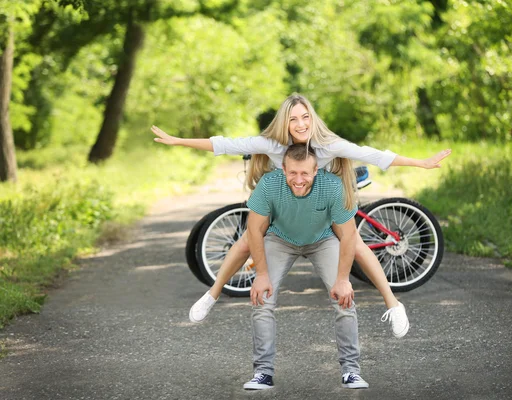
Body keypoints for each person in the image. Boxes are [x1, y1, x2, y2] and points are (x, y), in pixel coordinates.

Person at [151, 94, 451, 337]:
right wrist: (179, 141)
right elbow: (226, 144)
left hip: (324, 199)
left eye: (305, 116)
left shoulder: (328, 145)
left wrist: (421, 163)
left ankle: (394, 304)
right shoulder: (271, 145)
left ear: (313, 118)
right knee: (246, 240)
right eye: (293, 118)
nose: (301, 123)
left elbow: (373, 154)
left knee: (355, 244)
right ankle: (212, 294)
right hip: (288, 200)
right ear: (285, 122)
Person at [244, 143, 366, 390]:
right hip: (280, 239)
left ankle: (351, 371)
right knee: (262, 298)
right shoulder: (269, 184)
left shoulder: (332, 187)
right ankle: (263, 373)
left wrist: (343, 279)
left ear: (316, 171)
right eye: (292, 173)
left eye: (305, 174)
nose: (299, 179)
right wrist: (262, 274)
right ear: (283, 168)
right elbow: (254, 230)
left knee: (345, 300)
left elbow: (349, 235)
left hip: (322, 240)